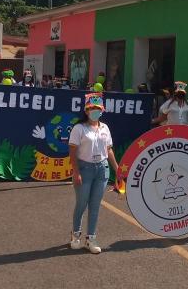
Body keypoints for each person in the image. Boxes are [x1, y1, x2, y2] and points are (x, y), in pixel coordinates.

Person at [68, 92, 122, 254]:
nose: (95, 111)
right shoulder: (79, 128)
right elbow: (72, 151)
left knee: (95, 205)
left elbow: (109, 150)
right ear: (86, 110)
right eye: (92, 108)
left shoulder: (105, 128)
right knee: (82, 203)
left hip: (102, 169)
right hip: (84, 169)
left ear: (102, 110)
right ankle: (75, 234)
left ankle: (91, 238)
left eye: (98, 109)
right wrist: (76, 172)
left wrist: (117, 169)